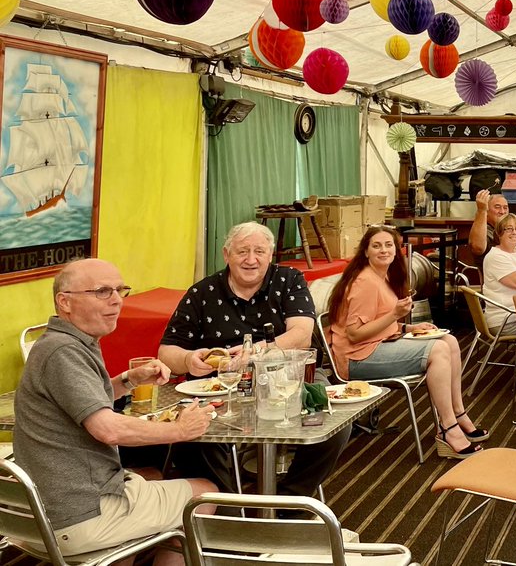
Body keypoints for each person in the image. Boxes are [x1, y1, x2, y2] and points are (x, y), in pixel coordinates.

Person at [16, 259, 216, 563]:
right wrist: (180, 430)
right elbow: (107, 428)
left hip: (49, 507)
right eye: (102, 291)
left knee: (150, 477)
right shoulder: (63, 351)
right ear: (65, 302)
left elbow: (80, 400)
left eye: (120, 290)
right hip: (76, 515)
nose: (117, 300)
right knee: (204, 494)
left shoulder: (63, 342)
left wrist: (128, 380)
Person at [158, 222, 350, 496]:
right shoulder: (201, 294)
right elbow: (167, 353)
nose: (251, 260)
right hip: (220, 385)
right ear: (226, 254)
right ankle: (226, 504)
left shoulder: (288, 280)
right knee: (192, 433)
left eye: (259, 251)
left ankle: (290, 498)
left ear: (270, 254)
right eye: (242, 251)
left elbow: (301, 335)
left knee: (335, 422)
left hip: (288, 376)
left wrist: (259, 351)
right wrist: (189, 360)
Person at [328, 225, 488, 459]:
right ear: (365, 252)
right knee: (439, 350)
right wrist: (395, 315)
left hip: (374, 347)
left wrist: (408, 327)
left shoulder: (382, 277)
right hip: (357, 358)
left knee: (451, 341)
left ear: (396, 249)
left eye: (388, 245)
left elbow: (377, 323)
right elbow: (354, 334)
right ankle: (448, 428)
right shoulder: (365, 282)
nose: (383, 250)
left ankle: (457, 413)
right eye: (376, 245)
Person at [482, 213, 516, 336]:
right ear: (499, 233)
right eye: (509, 229)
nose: (514, 233)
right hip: (506, 320)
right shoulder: (496, 256)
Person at [468, 189, 509, 258]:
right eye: (497, 207)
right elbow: (477, 248)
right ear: (487, 210)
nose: (502, 212)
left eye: (505, 208)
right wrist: (481, 210)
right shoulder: (484, 230)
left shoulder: (509, 229)